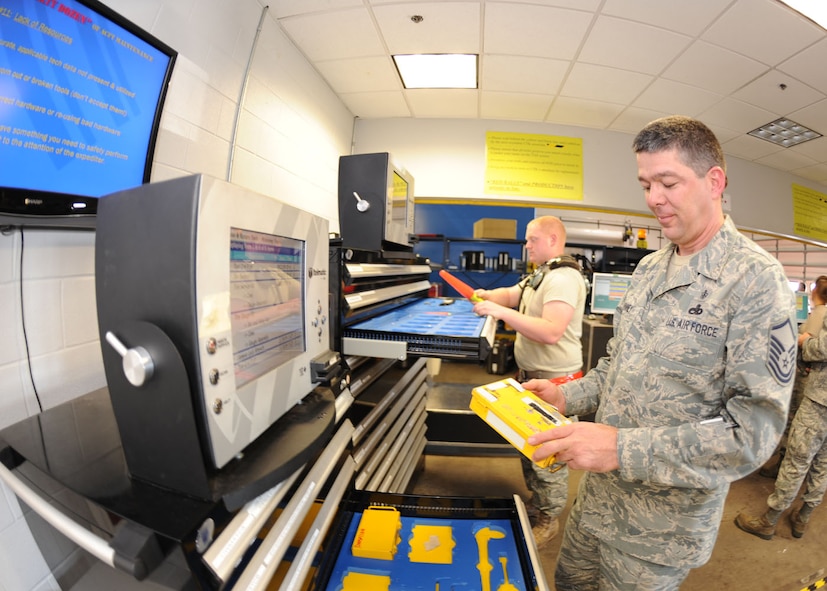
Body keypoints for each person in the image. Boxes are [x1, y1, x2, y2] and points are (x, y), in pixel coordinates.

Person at [521, 115, 797, 590]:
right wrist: (568, 396)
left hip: (657, 533)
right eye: (646, 184)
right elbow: (617, 368)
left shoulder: (755, 280)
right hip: (593, 503)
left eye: (668, 182)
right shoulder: (650, 268)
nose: (653, 199)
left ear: (714, 182)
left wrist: (620, 448)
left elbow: (753, 432)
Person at [471, 215, 586, 546]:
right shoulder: (541, 274)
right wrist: (488, 296)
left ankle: (548, 519)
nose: (526, 245)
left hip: (556, 385)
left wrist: (501, 314)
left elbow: (551, 331)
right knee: (529, 448)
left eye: (532, 240)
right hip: (531, 380)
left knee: (550, 458)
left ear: (552, 240)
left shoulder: (563, 278)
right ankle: (537, 505)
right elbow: (511, 294)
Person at [735, 275, 827, 540]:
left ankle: (769, 520)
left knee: (796, 460)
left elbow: (821, 348)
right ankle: (803, 518)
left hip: (820, 400)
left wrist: (804, 342)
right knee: (822, 463)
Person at [759, 278, 827, 478]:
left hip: (807, 378)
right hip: (814, 378)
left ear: (815, 294)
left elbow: (808, 343)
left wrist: (799, 341)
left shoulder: (820, 314)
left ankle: (783, 465)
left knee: (794, 420)